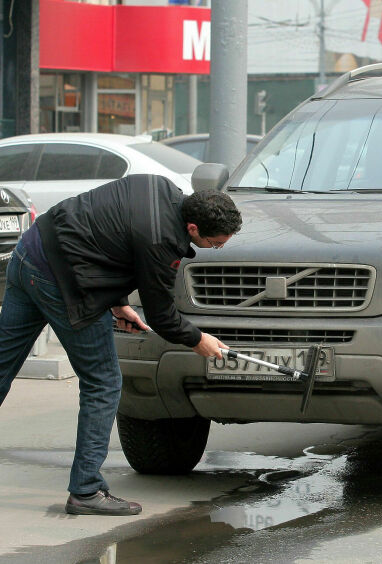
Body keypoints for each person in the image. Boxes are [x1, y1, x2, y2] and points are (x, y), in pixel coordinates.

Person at [0, 175, 242, 516]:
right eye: (213, 243)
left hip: (31, 251)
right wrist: (198, 340)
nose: (214, 248)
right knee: (104, 383)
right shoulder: (163, 241)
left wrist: (115, 299)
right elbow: (162, 317)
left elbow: (104, 234)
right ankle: (86, 490)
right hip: (62, 283)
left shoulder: (157, 186)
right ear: (191, 227)